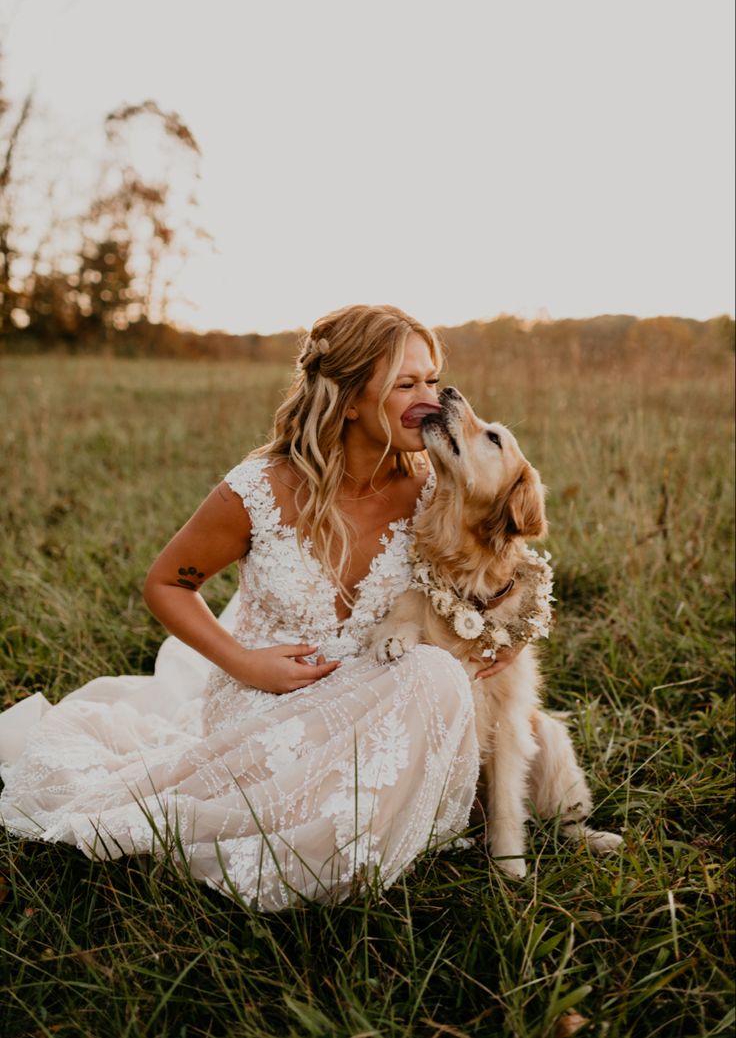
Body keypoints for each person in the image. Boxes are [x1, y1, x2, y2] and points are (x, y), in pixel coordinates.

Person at [0, 304, 518, 911]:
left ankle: (352, 839)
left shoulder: (437, 486)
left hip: (380, 688)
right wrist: (245, 663)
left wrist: (503, 636)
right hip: (265, 697)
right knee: (412, 689)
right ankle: (313, 848)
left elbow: (505, 557)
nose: (430, 400)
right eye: (406, 384)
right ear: (349, 398)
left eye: (431, 380)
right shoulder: (260, 488)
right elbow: (167, 584)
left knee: (435, 674)